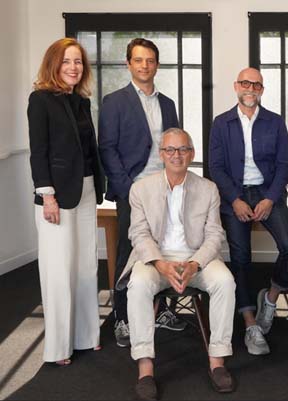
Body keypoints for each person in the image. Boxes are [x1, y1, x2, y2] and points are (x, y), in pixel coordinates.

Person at [116, 128, 236, 400]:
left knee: (225, 282)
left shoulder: (208, 189)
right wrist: (159, 263)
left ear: (191, 154)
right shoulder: (140, 189)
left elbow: (215, 235)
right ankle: (145, 368)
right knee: (138, 285)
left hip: (197, 256)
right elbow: (139, 234)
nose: (176, 155)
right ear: (161, 154)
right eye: (170, 149)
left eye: (183, 149)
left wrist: (195, 264)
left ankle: (217, 361)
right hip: (155, 258)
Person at [99, 38, 184, 348]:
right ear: (128, 64)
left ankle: (161, 310)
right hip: (132, 190)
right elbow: (107, 149)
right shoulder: (114, 101)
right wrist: (127, 189)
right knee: (128, 253)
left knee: (166, 248)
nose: (144, 65)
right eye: (138, 60)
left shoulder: (168, 104)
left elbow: (177, 147)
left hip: (166, 188)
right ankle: (122, 317)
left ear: (156, 65)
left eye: (150, 60)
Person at [208, 67, 288, 355]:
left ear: (262, 90)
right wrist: (234, 199)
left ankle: (270, 297)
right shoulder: (221, 123)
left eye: (256, 85)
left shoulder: (275, 122)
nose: (250, 88)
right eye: (245, 83)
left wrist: (270, 199)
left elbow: (284, 165)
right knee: (241, 257)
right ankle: (250, 323)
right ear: (236, 86)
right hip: (234, 194)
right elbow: (215, 167)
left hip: (267, 191)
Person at [27, 38, 105, 365]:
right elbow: (39, 151)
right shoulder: (40, 100)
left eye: (78, 61)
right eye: (67, 61)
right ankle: (59, 347)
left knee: (85, 265)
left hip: (86, 190)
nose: (74, 67)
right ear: (54, 64)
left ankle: (86, 335)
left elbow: (88, 149)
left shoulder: (81, 101)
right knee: (58, 269)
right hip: (55, 196)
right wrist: (47, 196)